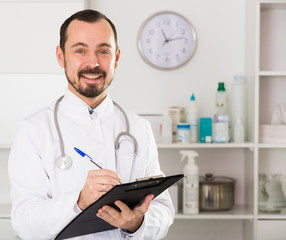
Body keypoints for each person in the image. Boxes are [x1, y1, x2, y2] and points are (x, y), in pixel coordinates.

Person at [8, 9, 174, 240]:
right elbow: (24, 223)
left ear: (116, 57)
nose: (93, 63)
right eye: (80, 50)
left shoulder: (138, 128)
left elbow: (164, 210)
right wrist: (79, 201)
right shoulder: (34, 130)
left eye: (103, 51)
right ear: (60, 56)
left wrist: (137, 223)